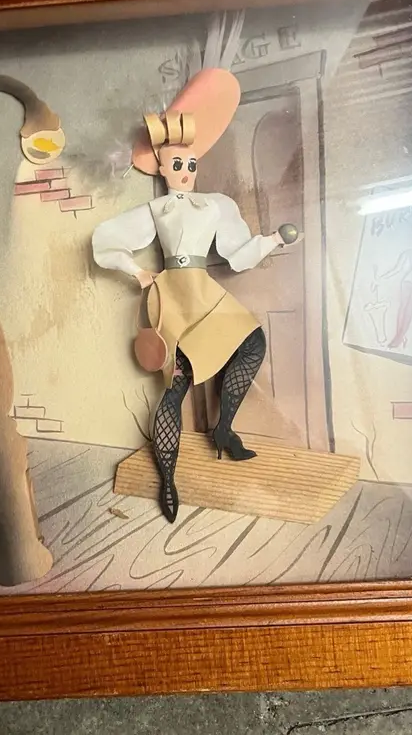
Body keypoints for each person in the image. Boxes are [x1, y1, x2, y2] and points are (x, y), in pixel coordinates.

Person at [92, 66, 301, 522]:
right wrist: (136, 271)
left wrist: (272, 240)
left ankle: (224, 428)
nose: (185, 172)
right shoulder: (156, 208)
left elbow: (237, 255)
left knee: (252, 342)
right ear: (161, 168)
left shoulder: (218, 205)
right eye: (177, 165)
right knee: (176, 385)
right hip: (174, 296)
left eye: (190, 165)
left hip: (206, 290)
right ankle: (167, 478)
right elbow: (106, 239)